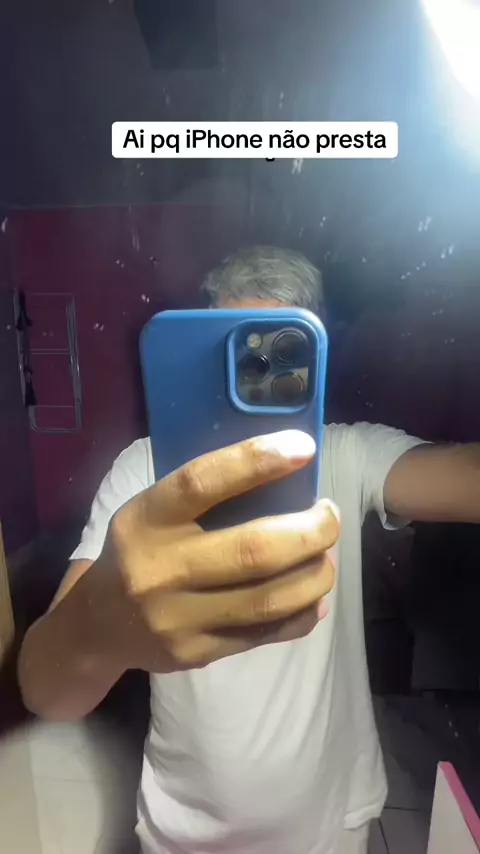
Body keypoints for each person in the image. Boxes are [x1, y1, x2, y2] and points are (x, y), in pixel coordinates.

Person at [18, 246, 480, 854]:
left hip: (327, 828)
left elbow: (465, 479)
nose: (253, 381)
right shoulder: (143, 470)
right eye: (235, 355)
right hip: (182, 831)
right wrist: (100, 628)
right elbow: (46, 691)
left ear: (317, 361)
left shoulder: (345, 455)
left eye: (281, 356)